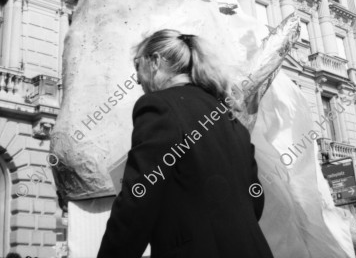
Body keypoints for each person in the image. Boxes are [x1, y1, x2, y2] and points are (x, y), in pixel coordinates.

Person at [97, 29, 273, 258]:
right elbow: (255, 197)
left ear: (156, 61)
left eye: (137, 65)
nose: (138, 78)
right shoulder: (230, 117)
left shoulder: (159, 107)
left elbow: (138, 199)